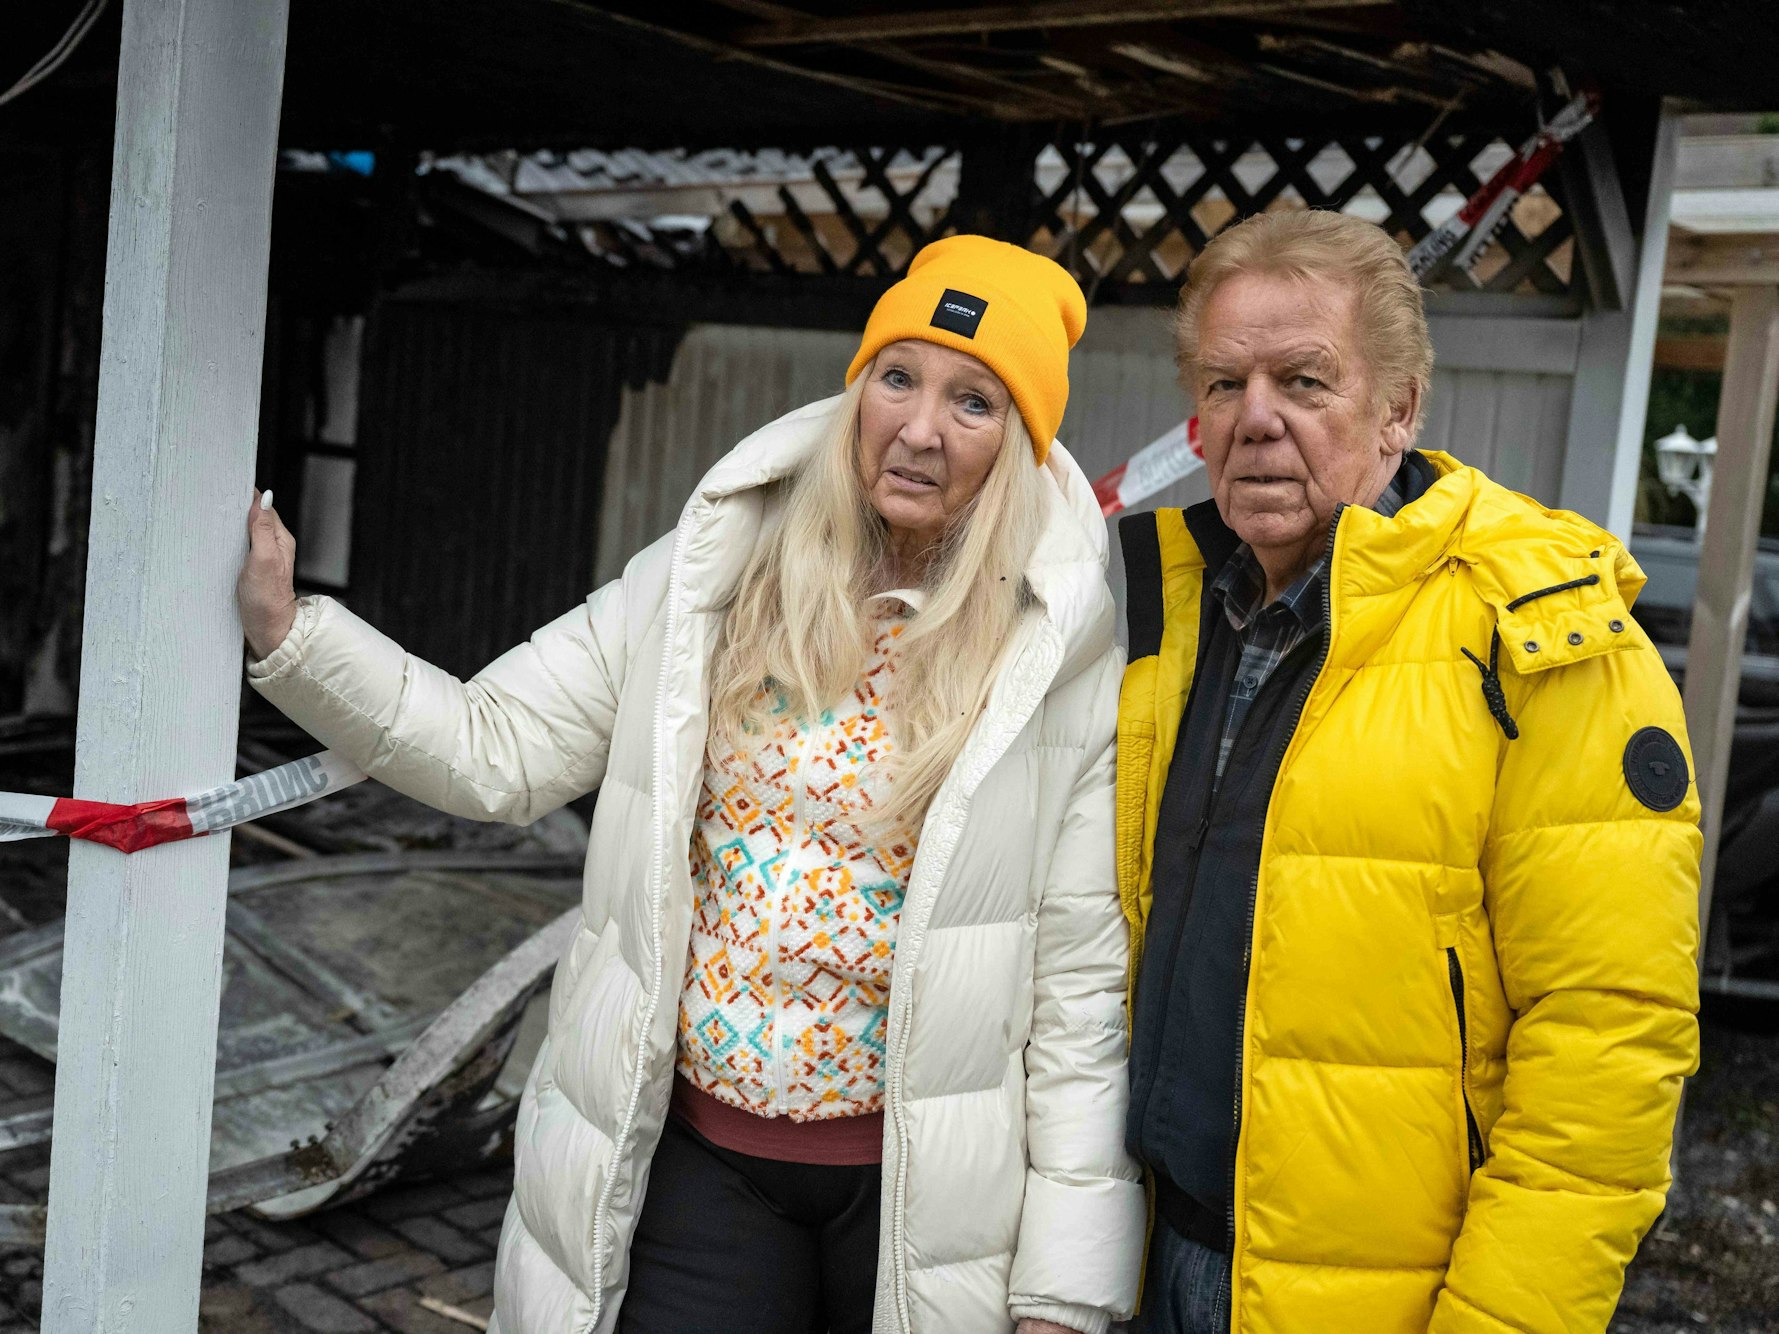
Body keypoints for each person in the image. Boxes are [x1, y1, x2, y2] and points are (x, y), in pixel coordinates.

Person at [237, 234, 1145, 1334]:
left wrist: (1061, 1288)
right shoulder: (715, 572)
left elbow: (1080, 992)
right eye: (898, 376)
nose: (919, 427)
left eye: (975, 401)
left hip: (934, 1204)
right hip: (708, 1164)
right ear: (858, 386)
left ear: (1019, 440)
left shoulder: (1054, 647)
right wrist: (295, 636)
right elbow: (499, 743)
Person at [1115, 210, 1702, 1334]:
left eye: (1305, 379)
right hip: (1153, 1259)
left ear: (1401, 406)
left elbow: (1605, 1049)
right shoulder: (1176, 611)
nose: (1257, 419)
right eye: (1226, 382)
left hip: (1379, 1301)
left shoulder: (1540, 636)